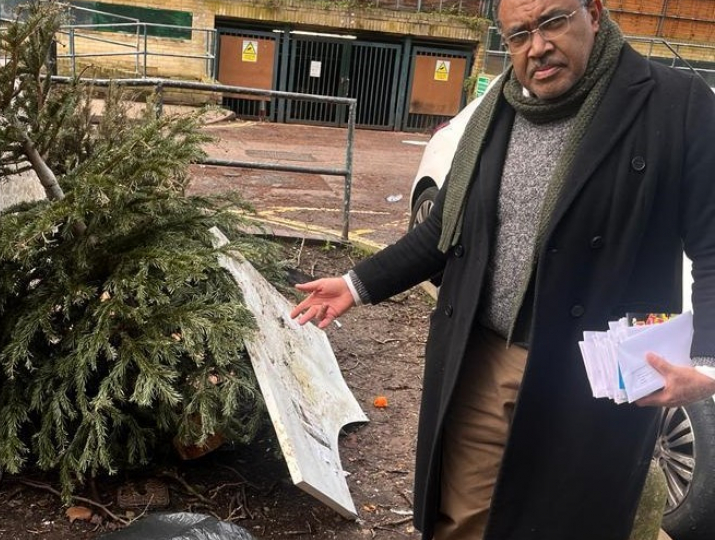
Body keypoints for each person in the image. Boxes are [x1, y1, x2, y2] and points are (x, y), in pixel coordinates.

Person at [290, 0, 715, 539]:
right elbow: (442, 231)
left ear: (595, 12)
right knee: (460, 519)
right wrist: (356, 283)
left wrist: (707, 361)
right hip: (487, 354)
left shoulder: (676, 105)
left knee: (565, 525)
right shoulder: (498, 111)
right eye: (518, 35)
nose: (538, 46)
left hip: (598, 372)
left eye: (553, 21)